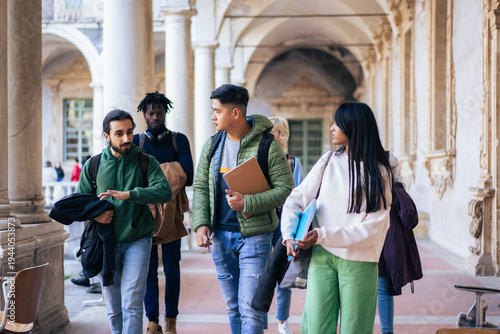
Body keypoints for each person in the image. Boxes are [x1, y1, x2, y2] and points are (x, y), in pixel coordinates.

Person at [280, 101, 393, 334]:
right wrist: (289, 235)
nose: (332, 127)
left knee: (356, 329)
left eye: (337, 122)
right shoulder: (328, 161)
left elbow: (372, 229)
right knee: (316, 328)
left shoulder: (379, 172)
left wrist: (322, 234)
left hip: (360, 260)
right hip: (322, 256)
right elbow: (296, 198)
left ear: (354, 126)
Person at [192, 84, 294, 334]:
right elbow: (200, 187)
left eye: (217, 111)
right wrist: (201, 223)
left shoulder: (267, 145)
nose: (213, 116)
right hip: (220, 238)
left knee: (251, 309)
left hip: (255, 237)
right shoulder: (212, 145)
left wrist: (247, 202)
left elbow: (286, 189)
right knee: (233, 307)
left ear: (235, 113)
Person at [76, 109, 172, 334]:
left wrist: (130, 194)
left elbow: (164, 191)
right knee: (113, 306)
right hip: (104, 243)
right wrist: (96, 215)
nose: (127, 138)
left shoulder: (145, 161)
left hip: (137, 240)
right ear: (106, 136)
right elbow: (79, 204)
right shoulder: (94, 165)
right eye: (119, 133)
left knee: (132, 302)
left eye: (129, 132)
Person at [134, 91, 194, 334]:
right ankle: (152, 321)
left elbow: (188, 175)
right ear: (145, 115)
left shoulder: (179, 140)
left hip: (172, 215)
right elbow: (133, 177)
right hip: (145, 215)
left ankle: (171, 321)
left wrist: (153, 176)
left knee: (172, 269)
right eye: (151, 113)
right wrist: (171, 172)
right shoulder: (138, 141)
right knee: (148, 270)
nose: (155, 116)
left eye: (159, 112)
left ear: (165, 113)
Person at [268, 116, 305, 334]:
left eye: (283, 133)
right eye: (276, 132)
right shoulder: (258, 161)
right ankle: (259, 319)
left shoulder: (293, 162)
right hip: (263, 225)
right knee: (260, 275)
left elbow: (299, 196)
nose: (280, 137)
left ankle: (282, 321)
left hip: (285, 227)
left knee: (283, 274)